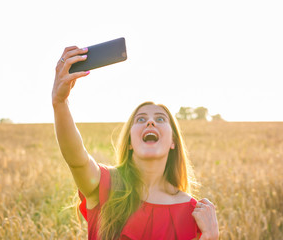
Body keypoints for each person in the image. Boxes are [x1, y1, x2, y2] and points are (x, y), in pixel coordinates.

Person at [52, 46, 219, 240]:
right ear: (130, 141)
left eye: (160, 119)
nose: (150, 122)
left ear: (173, 141)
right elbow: (77, 159)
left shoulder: (192, 212)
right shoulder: (105, 185)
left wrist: (210, 237)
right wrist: (60, 103)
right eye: (140, 119)